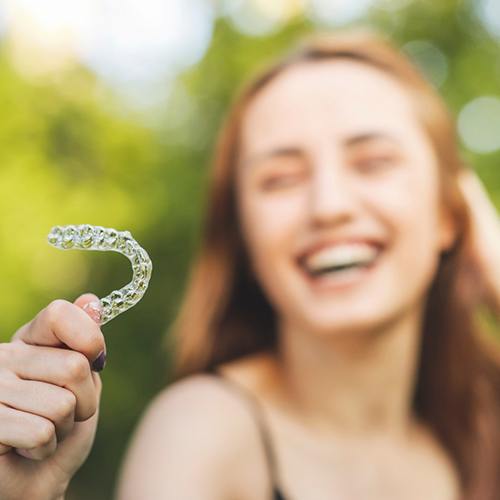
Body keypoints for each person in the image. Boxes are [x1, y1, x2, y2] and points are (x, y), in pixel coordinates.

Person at [1, 28, 499, 500]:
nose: (328, 206)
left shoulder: (483, 426)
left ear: (450, 215)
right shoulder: (203, 431)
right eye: (280, 178)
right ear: (244, 234)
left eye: (373, 162)